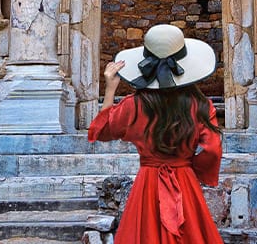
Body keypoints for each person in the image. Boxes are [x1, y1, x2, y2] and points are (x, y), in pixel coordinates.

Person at [87, 23, 224, 243]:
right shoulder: (201, 105)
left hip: (147, 184)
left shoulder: (133, 105)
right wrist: (191, 169)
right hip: (184, 182)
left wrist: (110, 89)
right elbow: (213, 149)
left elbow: (100, 131)